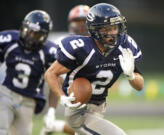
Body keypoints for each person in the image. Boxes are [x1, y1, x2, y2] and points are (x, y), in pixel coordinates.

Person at [45, 3, 144, 135]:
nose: (112, 33)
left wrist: (131, 75)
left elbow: (140, 86)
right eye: (106, 29)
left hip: (99, 108)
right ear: (94, 30)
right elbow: (51, 73)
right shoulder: (81, 48)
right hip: (78, 109)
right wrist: (62, 97)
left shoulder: (123, 47)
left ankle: (55, 127)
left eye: (114, 27)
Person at [0, 10, 58, 135]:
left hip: (29, 100)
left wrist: (51, 111)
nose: (31, 36)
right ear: (23, 27)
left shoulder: (49, 52)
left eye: (36, 35)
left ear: (45, 36)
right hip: (6, 94)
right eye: (29, 31)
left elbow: (56, 81)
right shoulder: (9, 40)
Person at [40, 5, 90, 135]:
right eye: (78, 22)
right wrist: (51, 111)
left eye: (84, 22)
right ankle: (53, 123)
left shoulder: (98, 44)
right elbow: (54, 77)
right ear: (71, 24)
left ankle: (56, 126)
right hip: (69, 92)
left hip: (91, 92)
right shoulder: (63, 43)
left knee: (86, 130)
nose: (81, 26)